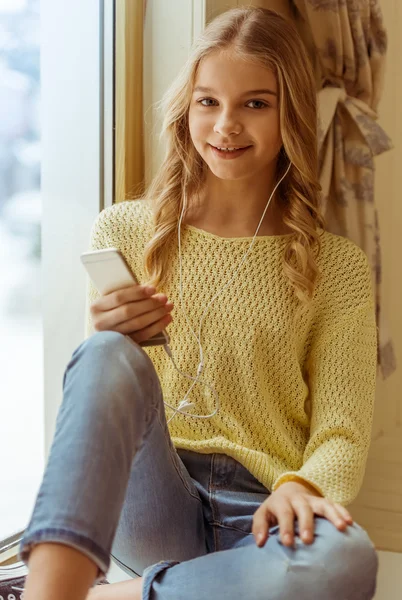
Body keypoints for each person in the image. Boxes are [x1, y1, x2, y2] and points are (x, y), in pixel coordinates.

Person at [18, 7, 379, 600]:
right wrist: (109, 342)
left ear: (290, 113)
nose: (226, 125)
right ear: (186, 108)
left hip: (262, 514)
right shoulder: (124, 230)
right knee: (106, 351)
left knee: (347, 561)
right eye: (208, 102)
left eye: (255, 104)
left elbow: (341, 430)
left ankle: (114, 596)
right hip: (152, 496)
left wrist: (307, 488)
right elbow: (105, 407)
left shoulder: (336, 266)